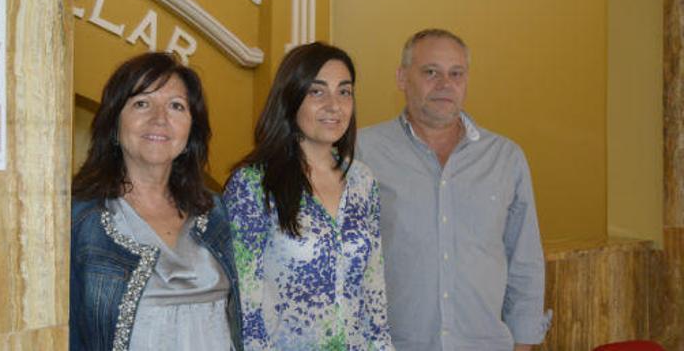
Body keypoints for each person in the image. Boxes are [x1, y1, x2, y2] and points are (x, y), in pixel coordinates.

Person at [357, 29, 551, 351]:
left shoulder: (505, 158)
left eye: (456, 73)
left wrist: (524, 343)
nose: (445, 84)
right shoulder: (363, 152)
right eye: (430, 72)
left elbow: (525, 261)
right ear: (402, 78)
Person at [223, 42, 395, 351]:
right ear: (291, 98)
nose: (334, 105)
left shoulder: (362, 181)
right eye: (317, 92)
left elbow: (373, 292)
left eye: (344, 91)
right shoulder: (252, 184)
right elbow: (244, 303)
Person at [69, 52, 243, 351]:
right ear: (114, 122)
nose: (159, 119)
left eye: (176, 106)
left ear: (191, 130)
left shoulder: (217, 212)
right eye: (142, 103)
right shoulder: (80, 219)